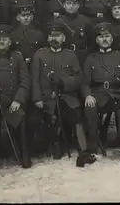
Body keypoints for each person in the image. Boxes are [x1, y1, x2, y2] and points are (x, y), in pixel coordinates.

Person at [31, 20, 91, 167]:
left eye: (58, 36)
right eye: (51, 36)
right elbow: (34, 80)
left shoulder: (70, 55)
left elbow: (78, 77)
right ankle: (55, 142)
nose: (54, 39)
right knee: (50, 118)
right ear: (47, 38)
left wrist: (63, 81)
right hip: (46, 98)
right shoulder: (39, 55)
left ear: (64, 38)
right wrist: (37, 98)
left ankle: (83, 151)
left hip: (66, 96)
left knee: (76, 116)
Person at [81, 22, 120, 164]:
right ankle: (92, 148)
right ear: (96, 40)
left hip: (118, 93)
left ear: (112, 38)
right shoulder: (91, 58)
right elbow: (85, 82)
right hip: (99, 94)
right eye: (100, 37)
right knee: (89, 108)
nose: (104, 39)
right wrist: (88, 94)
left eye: (107, 36)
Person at [0, 24, 32, 168]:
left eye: (5, 39)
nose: (2, 42)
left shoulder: (17, 58)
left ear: (10, 42)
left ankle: (24, 155)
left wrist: (18, 100)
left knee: (20, 117)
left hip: (12, 101)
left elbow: (25, 82)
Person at [57, 0, 94, 65]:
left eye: (74, 4)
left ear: (78, 5)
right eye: (68, 3)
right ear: (64, 5)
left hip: (81, 56)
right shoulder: (58, 22)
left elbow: (92, 41)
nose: (71, 6)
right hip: (62, 56)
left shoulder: (86, 21)